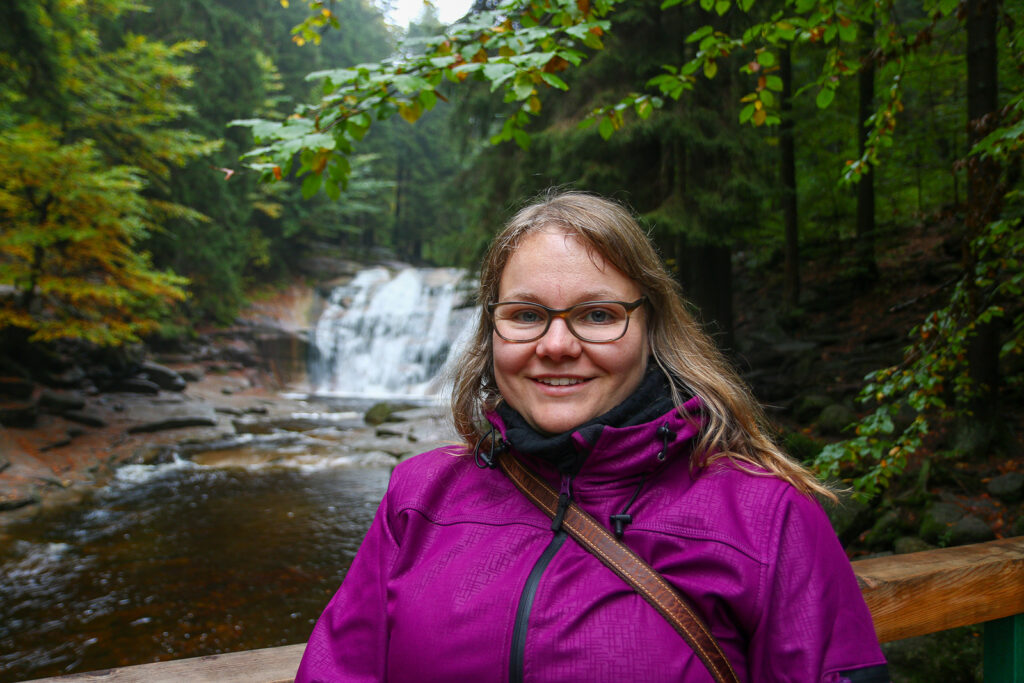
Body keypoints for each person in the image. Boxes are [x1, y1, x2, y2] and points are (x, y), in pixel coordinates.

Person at [296, 191, 888, 682]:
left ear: (651, 327)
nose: (556, 345)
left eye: (598, 315)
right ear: (491, 329)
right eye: (526, 314)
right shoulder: (418, 497)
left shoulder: (765, 517)